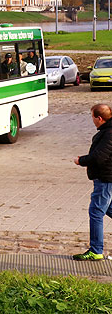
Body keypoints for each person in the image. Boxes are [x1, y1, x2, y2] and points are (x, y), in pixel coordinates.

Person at [73, 103, 112, 260]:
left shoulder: (109, 133)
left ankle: (96, 251)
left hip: (105, 179)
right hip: (106, 178)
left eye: (93, 117)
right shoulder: (107, 131)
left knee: (96, 211)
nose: (92, 121)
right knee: (108, 208)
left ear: (99, 118)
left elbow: (99, 157)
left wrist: (80, 160)